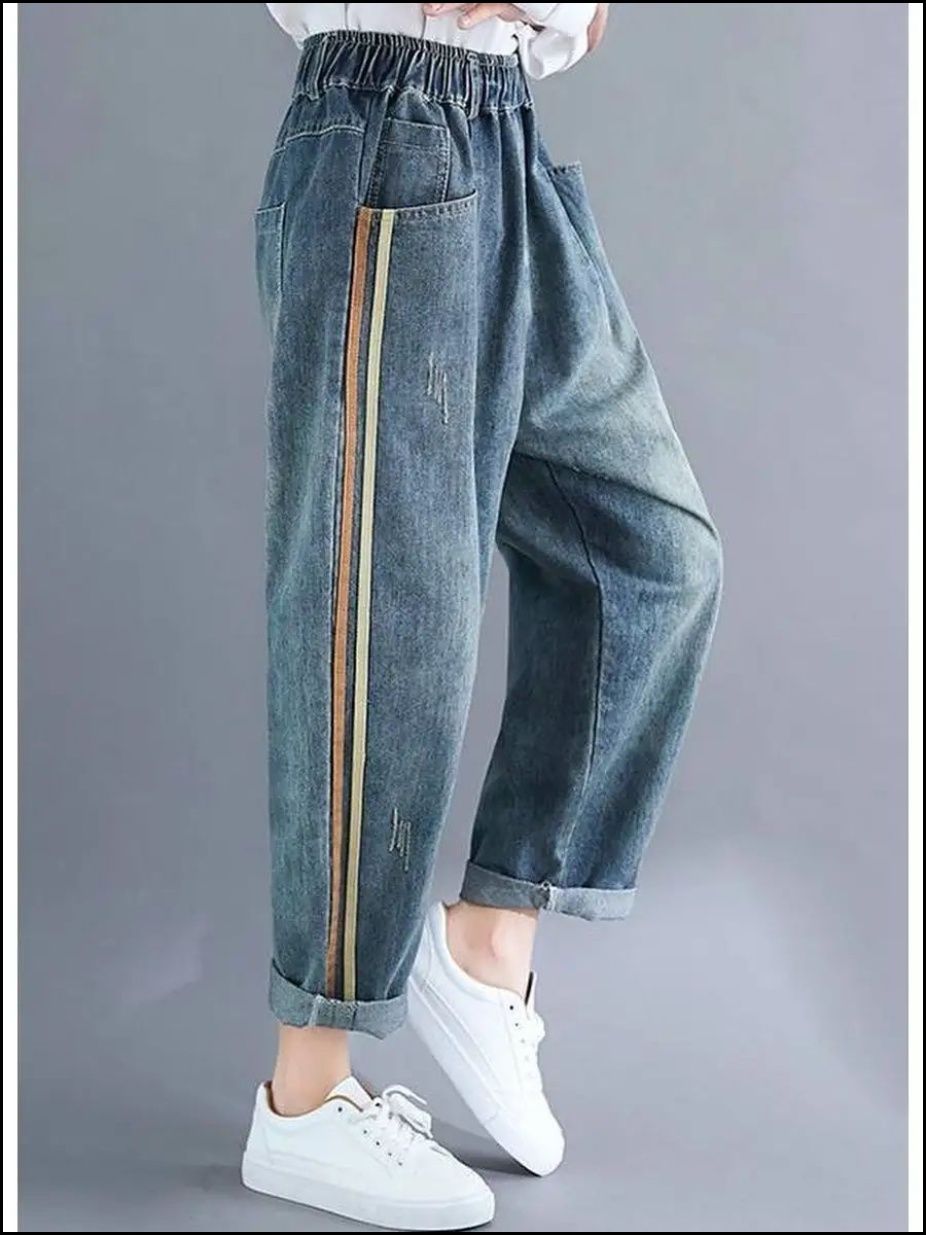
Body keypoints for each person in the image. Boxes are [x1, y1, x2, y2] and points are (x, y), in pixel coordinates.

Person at [242, 2, 722, 1228]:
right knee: (379, 624)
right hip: (381, 126)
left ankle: (486, 944)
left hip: (503, 136)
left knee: (651, 555)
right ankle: (303, 1094)